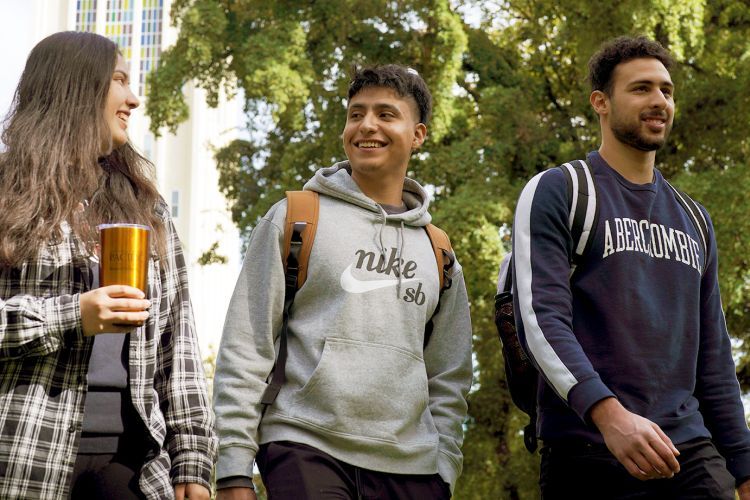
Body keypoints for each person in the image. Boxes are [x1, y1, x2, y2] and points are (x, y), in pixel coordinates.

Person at [213, 64, 473, 499]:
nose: (366, 126)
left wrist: (444, 465)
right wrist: (233, 468)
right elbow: (246, 346)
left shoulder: (438, 251)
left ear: (418, 134)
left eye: (386, 115)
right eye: (356, 114)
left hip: (413, 468)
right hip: (304, 446)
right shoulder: (295, 218)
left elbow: (450, 373)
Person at [512, 35, 750, 499]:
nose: (659, 100)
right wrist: (609, 415)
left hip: (688, 453)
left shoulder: (695, 218)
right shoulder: (561, 190)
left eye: (667, 90)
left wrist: (743, 466)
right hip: (587, 448)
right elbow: (540, 320)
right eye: (642, 88)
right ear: (600, 102)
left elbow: (714, 355)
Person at [0, 31, 216, 499]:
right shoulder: (5, 193)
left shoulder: (146, 206)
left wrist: (193, 462)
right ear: (75, 87)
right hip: (22, 451)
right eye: (119, 80)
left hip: (135, 465)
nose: (134, 99)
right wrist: (71, 315)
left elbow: (177, 345)